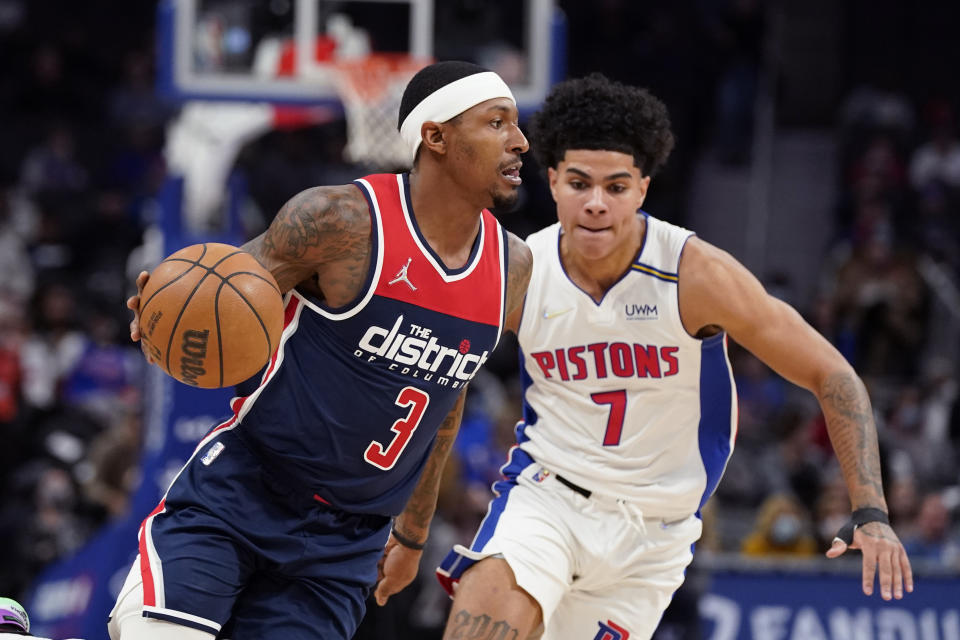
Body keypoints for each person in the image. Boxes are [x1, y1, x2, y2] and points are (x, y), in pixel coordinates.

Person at [436, 73, 913, 640]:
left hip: (652, 536)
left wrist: (872, 513)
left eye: (616, 187)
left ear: (642, 187)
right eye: (579, 183)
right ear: (553, 181)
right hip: (546, 499)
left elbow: (833, 373)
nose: (595, 203)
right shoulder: (519, 270)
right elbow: (441, 380)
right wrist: (411, 526)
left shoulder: (695, 275)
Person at [109, 60, 532, 640]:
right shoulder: (339, 221)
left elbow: (444, 403)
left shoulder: (513, 268)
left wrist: (412, 533)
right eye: (497, 123)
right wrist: (166, 313)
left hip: (344, 545)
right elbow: (228, 288)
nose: (521, 141)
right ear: (435, 137)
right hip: (244, 492)